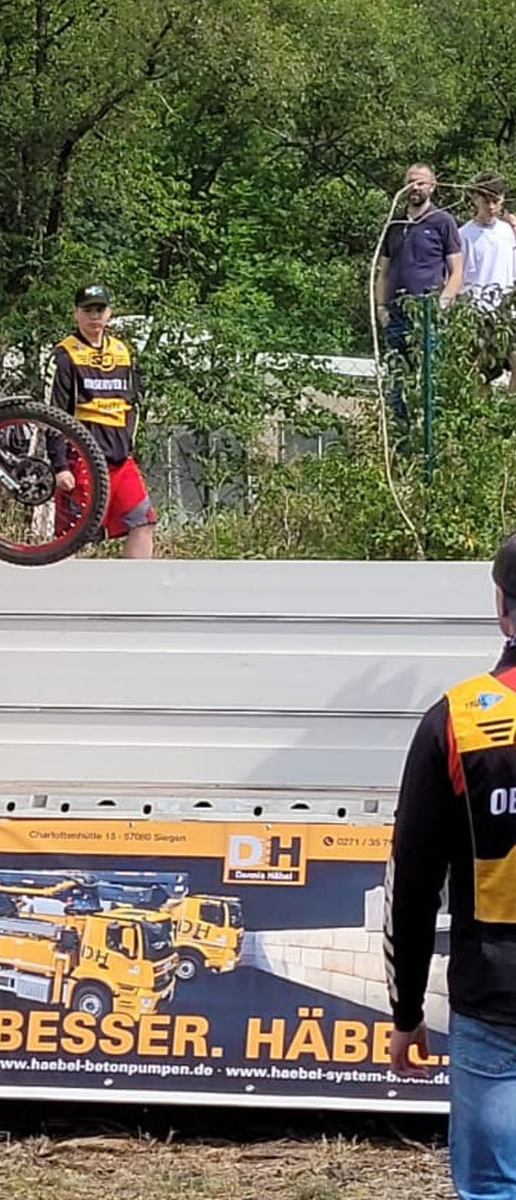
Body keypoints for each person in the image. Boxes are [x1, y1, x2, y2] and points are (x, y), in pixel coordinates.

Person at [386, 532, 516, 1198]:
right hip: (492, 1001)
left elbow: (412, 884)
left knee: (493, 1189)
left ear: (501, 605)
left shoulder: (457, 721)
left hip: (496, 999)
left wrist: (406, 1011)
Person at [46, 283, 154, 559]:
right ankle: (71, 585)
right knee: (78, 535)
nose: (94, 316)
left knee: (143, 521)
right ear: (76, 314)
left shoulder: (121, 351)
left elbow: (132, 403)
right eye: (88, 310)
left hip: (120, 457)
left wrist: (128, 444)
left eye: (100, 309)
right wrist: (60, 466)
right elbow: (53, 413)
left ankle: (136, 584)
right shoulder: (65, 355)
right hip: (82, 457)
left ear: (109, 313)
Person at [374, 163, 464, 427]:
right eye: (410, 182)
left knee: (427, 383)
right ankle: (402, 440)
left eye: (421, 182)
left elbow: (457, 272)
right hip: (396, 315)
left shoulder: (443, 222)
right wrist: (381, 308)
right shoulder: (395, 223)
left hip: (426, 315)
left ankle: (428, 439)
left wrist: (440, 306)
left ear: (432, 186)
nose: (415, 187)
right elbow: (383, 271)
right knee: (398, 385)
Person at [458, 172, 516, 386]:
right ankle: (482, 406)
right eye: (486, 201)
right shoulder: (463, 235)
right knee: (482, 373)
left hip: (505, 311)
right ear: (475, 198)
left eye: (495, 201)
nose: (491, 206)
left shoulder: (508, 231)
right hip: (477, 312)